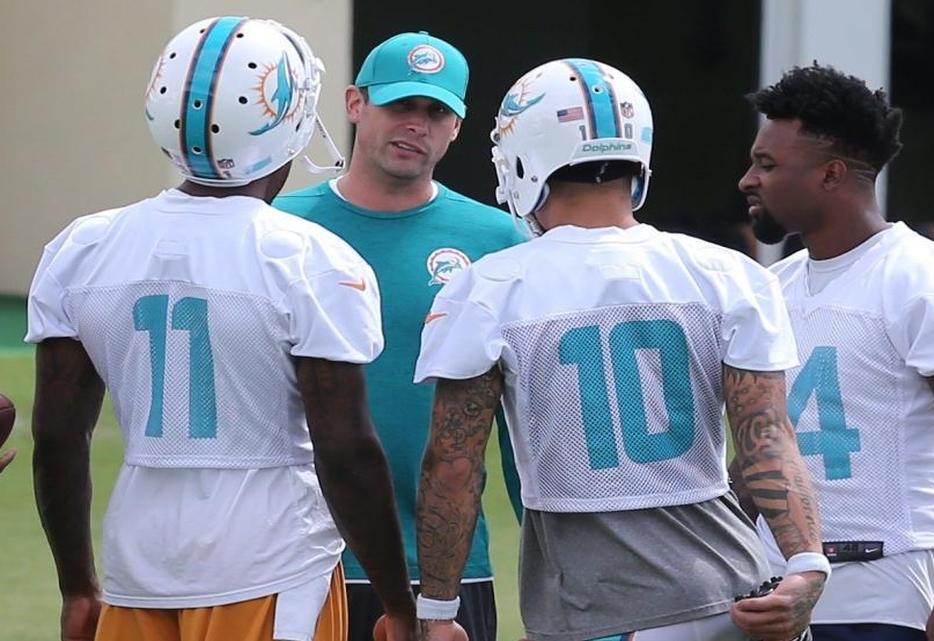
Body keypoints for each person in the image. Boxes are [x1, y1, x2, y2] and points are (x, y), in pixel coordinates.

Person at [26, 17, 417, 641]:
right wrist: (399, 605)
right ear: (288, 118)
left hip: (137, 566)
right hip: (272, 565)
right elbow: (345, 450)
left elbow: (56, 434)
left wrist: (78, 585)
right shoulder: (308, 257)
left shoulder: (84, 247)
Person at [411, 58, 827, 641]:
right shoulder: (726, 273)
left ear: (524, 157)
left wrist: (436, 611)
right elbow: (767, 438)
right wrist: (807, 563)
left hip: (598, 610)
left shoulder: (489, 289)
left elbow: (453, 468)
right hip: (735, 599)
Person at [736, 63, 934, 641]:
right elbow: (759, 450)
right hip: (776, 592)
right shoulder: (772, 288)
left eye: (767, 164)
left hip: (886, 594)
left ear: (831, 174)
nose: (748, 179)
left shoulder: (925, 276)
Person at [274, 31, 526, 641]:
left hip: (444, 568)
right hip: (294, 556)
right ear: (355, 103)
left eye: (436, 112)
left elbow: (528, 425)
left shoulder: (501, 241)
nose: (417, 125)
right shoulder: (280, 227)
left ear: (457, 128)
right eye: (401, 106)